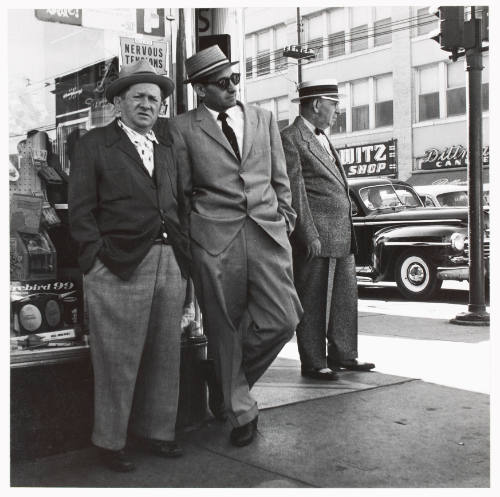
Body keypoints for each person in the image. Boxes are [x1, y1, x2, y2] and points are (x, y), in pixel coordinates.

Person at [164, 45, 302, 447]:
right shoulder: (182, 128)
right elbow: (183, 190)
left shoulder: (262, 119)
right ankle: (240, 411)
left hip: (265, 232)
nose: (232, 88)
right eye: (222, 83)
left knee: (284, 318)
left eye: (235, 79)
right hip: (214, 238)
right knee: (223, 328)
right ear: (201, 90)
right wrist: (195, 241)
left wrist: (286, 219)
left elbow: (281, 178)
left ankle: (224, 381)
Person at [68, 60, 191, 472]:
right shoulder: (94, 144)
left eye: (153, 99)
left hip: (168, 259)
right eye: (137, 96)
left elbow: (178, 204)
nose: (146, 104)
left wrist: (183, 257)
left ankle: (158, 432)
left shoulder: (166, 147)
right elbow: (81, 212)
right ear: (119, 102)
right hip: (118, 263)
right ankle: (110, 441)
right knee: (116, 358)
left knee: (165, 355)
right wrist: (95, 261)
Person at [280, 79, 375, 381]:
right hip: (317, 237)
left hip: (340, 235)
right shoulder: (292, 138)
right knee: (313, 300)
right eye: (334, 105)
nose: (338, 111)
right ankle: (314, 361)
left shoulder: (320, 137)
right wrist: (307, 234)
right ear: (317, 104)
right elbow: (296, 193)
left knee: (345, 299)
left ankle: (344, 353)